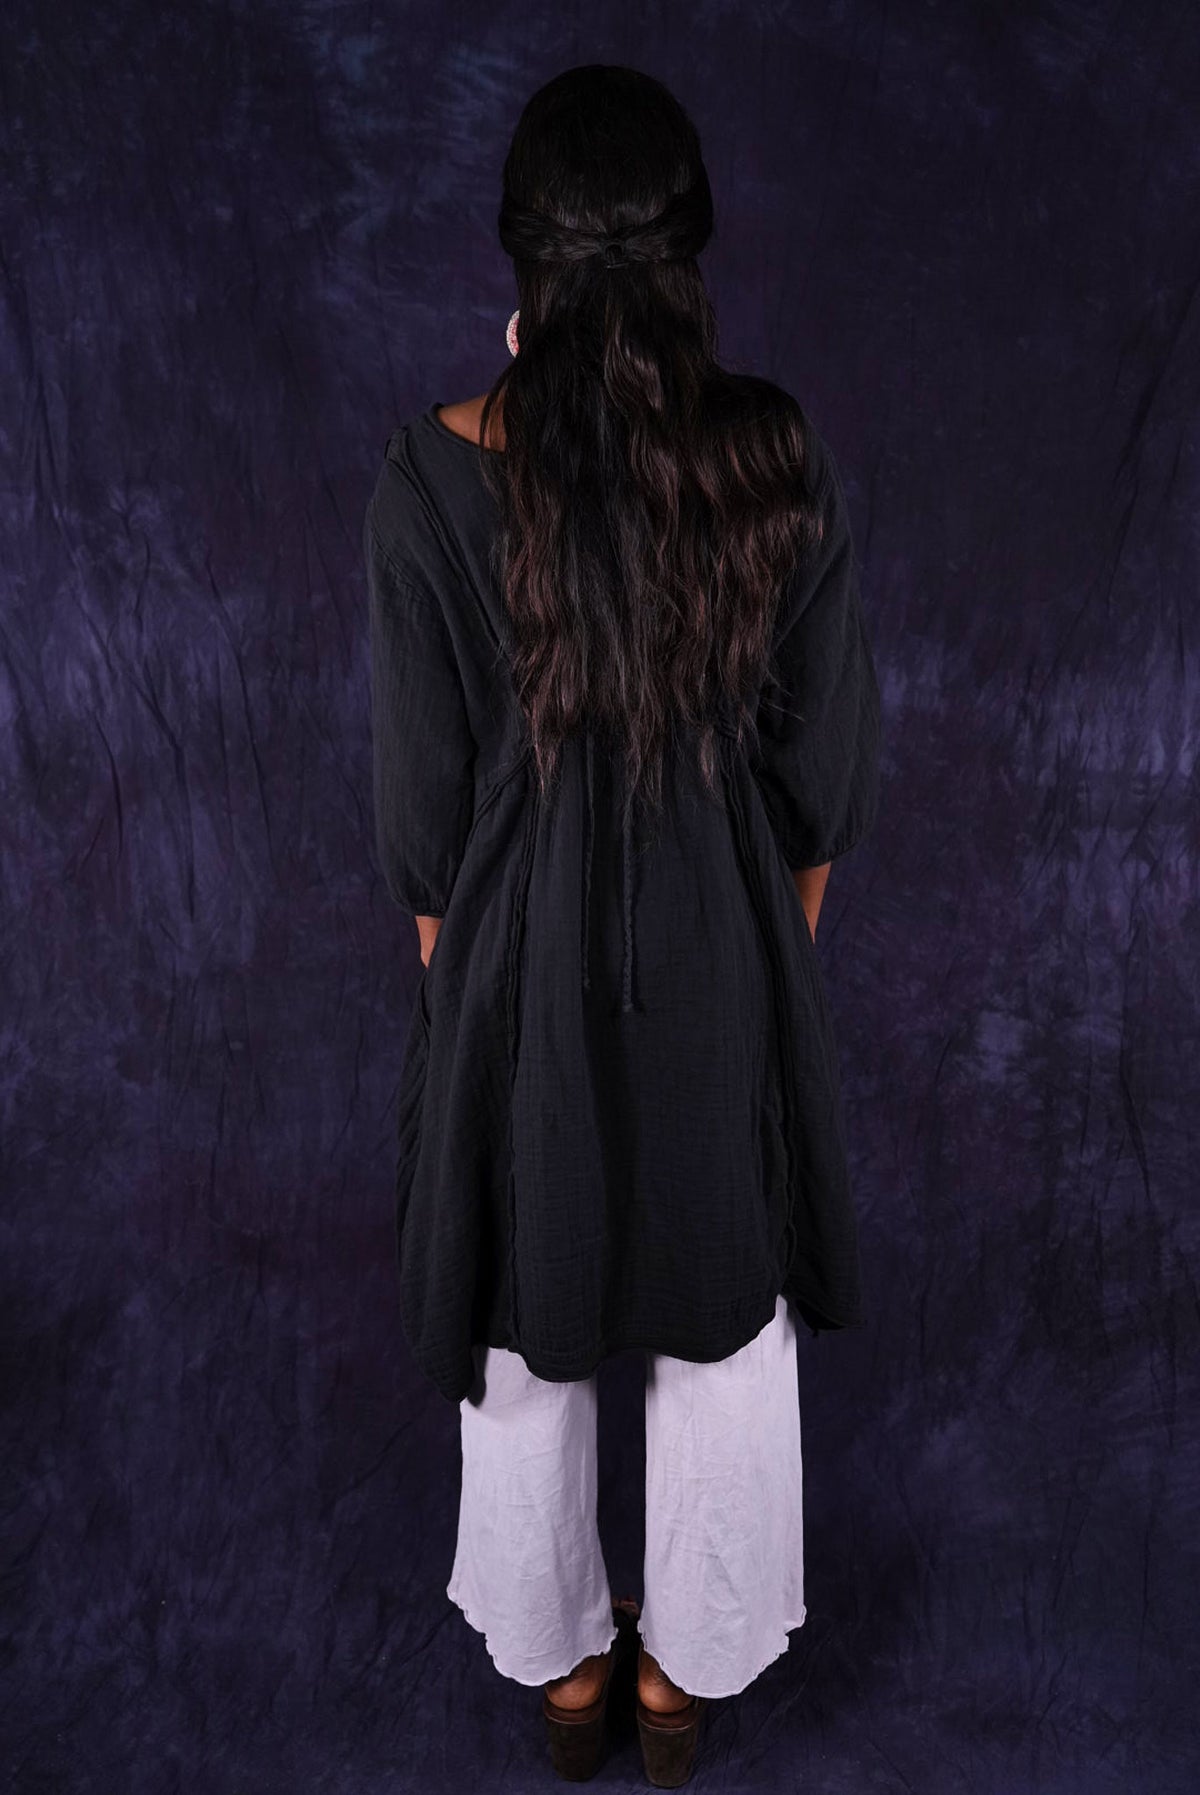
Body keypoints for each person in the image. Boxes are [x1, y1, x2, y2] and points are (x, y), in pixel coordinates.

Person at [364, 64, 882, 1786]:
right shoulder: (774, 454)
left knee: (531, 1303)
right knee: (726, 1320)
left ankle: (569, 1670)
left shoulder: (430, 477)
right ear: (688, 250)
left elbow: (427, 841)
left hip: (509, 973)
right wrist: (747, 967)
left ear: (520, 251)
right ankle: (684, 1684)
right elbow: (820, 786)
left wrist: (482, 1022)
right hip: (732, 952)